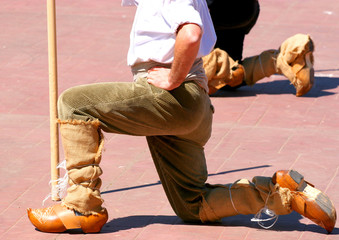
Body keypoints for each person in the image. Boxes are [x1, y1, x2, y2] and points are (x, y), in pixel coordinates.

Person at [27, 0, 336, 234]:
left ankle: (82, 208)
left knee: (74, 103)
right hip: (187, 104)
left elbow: (190, 34)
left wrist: (174, 78)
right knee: (193, 205)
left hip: (176, 96)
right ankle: (279, 192)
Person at [203, 0, 314, 96]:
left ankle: (214, 65)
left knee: (194, 78)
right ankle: (281, 60)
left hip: (211, 14)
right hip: (243, 12)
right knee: (229, 80)